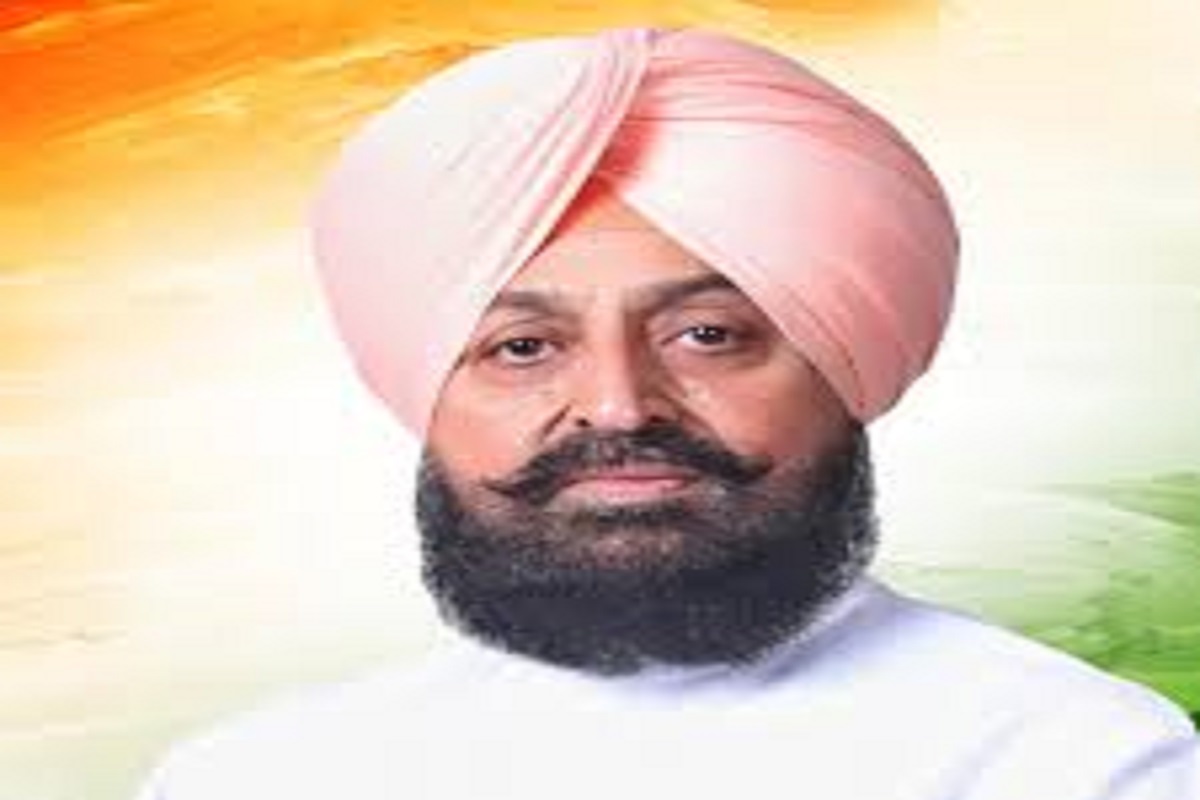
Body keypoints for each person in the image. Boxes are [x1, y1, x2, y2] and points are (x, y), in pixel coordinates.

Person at [136, 26, 1198, 800]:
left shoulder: (1075, 763)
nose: (616, 404)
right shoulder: (253, 778)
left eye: (707, 334)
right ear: (425, 389)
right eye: (523, 347)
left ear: (849, 359)